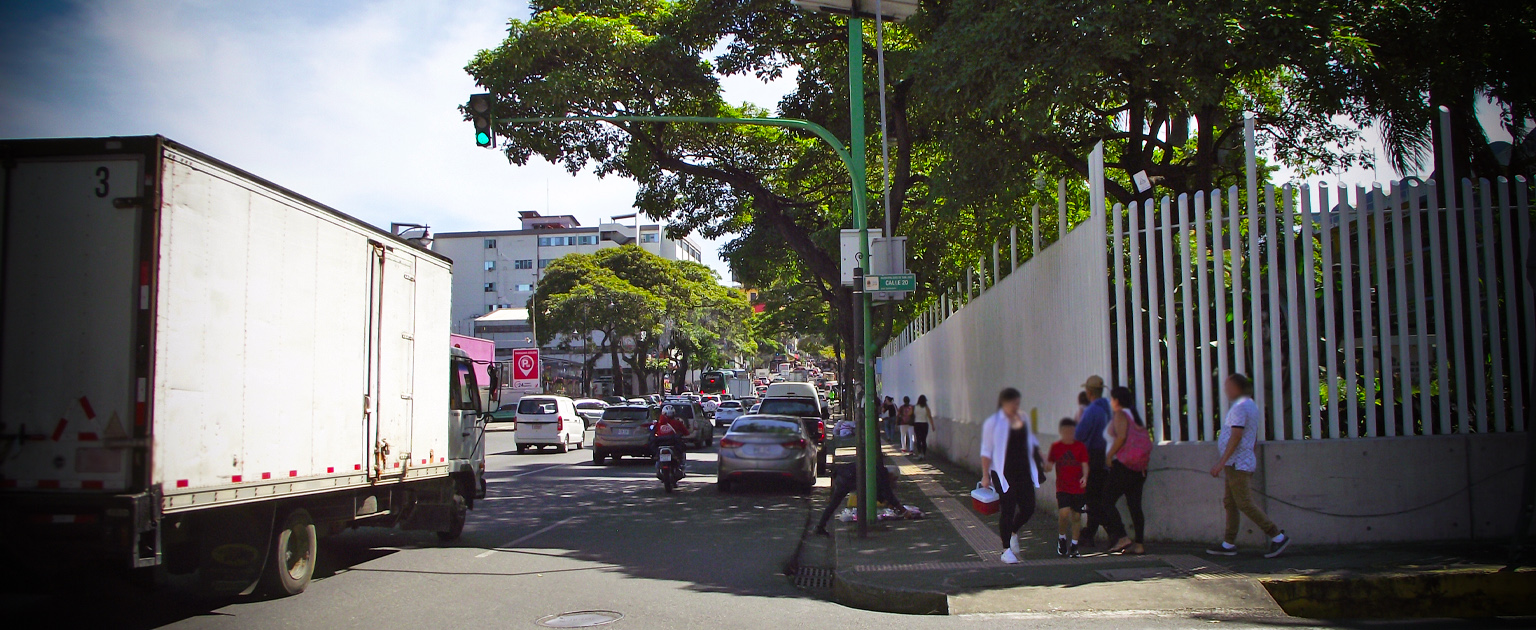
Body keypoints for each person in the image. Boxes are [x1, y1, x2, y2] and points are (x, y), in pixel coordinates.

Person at [1208, 374, 1292, 558]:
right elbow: (1250, 436)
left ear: (1237, 388)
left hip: (1236, 463)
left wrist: (1221, 463)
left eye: (1229, 387)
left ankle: (1276, 536)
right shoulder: (1250, 405)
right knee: (1230, 503)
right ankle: (1228, 543)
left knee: (1244, 503)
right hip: (1238, 461)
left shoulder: (1239, 408)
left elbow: (1236, 435)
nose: (1226, 390)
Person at [979, 388, 1045, 564]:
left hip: (1023, 469)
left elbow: (1032, 442)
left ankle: (1014, 531)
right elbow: (986, 451)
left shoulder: (1023, 418)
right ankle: (1006, 549)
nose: (1016, 406)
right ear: (1003, 403)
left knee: (1028, 507)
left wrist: (1043, 459)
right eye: (1013, 403)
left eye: (1018, 403)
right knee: (1007, 508)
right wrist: (985, 475)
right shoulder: (993, 423)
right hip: (1002, 471)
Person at [1102, 386, 1148, 555]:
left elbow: (1121, 437)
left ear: (1117, 401)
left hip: (1124, 466)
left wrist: (1110, 455)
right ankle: (1139, 544)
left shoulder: (1121, 415)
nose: (1111, 402)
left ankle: (1122, 536)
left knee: (1106, 500)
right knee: (1135, 506)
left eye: (1112, 399)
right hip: (1139, 468)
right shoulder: (1135, 416)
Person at [814, 450, 902, 536]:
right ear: (891, 475)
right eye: (893, 479)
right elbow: (886, 492)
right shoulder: (882, 476)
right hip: (848, 480)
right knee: (847, 501)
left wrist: (885, 502)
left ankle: (820, 525)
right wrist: (902, 509)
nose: (892, 482)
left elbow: (877, 491)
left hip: (842, 475)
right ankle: (861, 523)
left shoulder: (877, 469)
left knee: (833, 504)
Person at [1073, 375, 1112, 548]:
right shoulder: (1109, 408)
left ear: (1089, 392)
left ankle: (1116, 533)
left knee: (1093, 499)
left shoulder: (1091, 411)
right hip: (1107, 455)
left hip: (1092, 457)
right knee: (1097, 497)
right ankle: (1089, 534)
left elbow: (1079, 435)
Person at [1046, 418, 1089, 557]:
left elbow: (1085, 464)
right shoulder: (1056, 447)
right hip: (1063, 487)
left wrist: (1085, 477)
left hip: (1078, 487)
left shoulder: (1080, 447)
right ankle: (1062, 538)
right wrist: (1044, 466)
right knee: (1064, 514)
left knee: (1076, 516)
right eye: (1066, 432)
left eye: (1071, 432)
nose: (1069, 435)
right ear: (1061, 432)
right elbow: (1049, 465)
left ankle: (1075, 545)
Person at [651, 404, 692, 470]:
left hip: (660, 444)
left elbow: (653, 434)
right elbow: (686, 433)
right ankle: (681, 463)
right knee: (682, 450)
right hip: (671, 444)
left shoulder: (658, 424)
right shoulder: (677, 423)